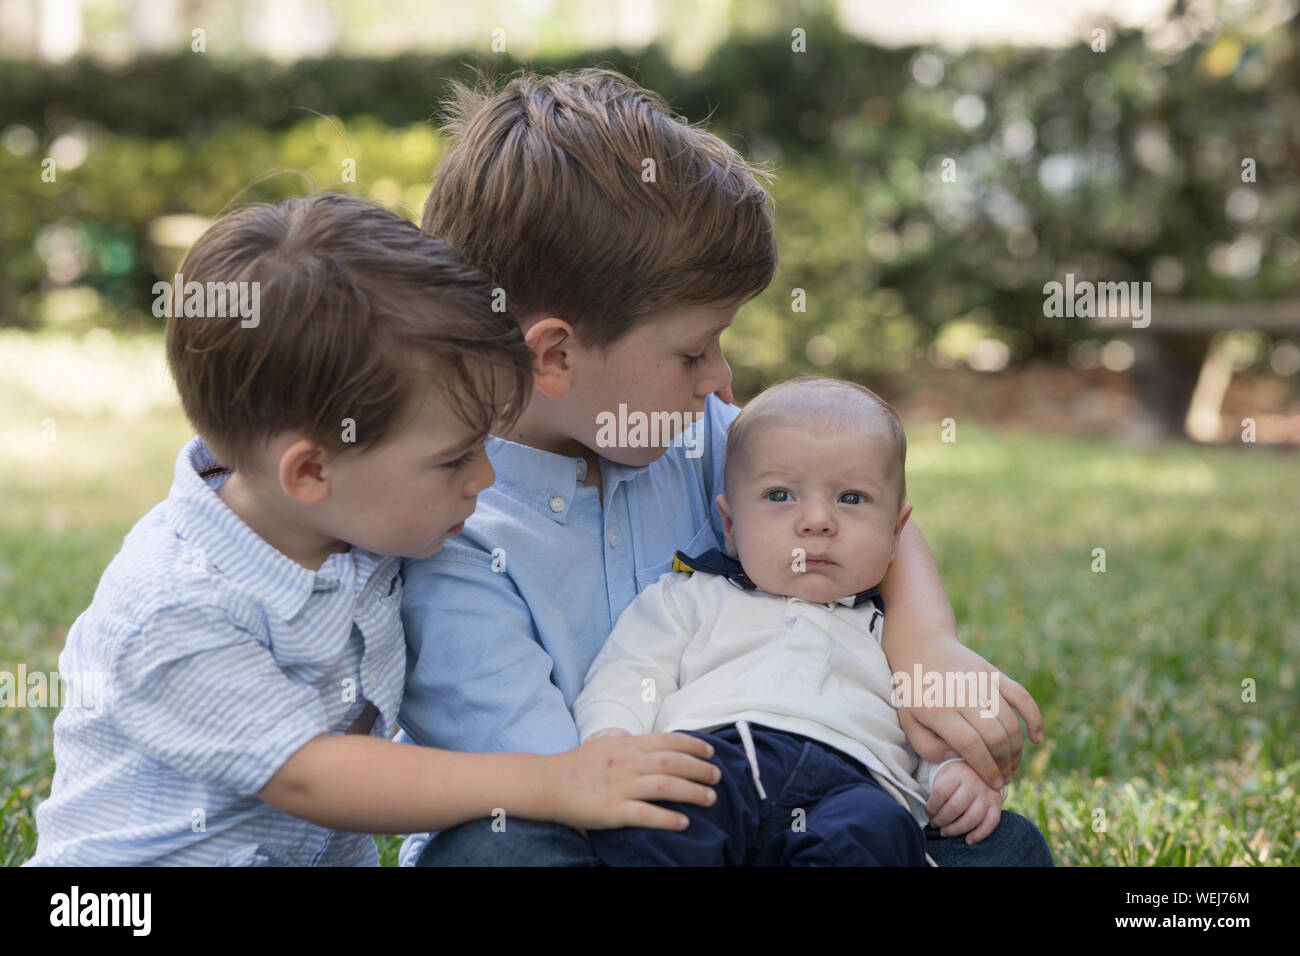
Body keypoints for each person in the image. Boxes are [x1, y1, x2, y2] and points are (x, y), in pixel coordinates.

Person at [400, 68, 1050, 866]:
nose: (721, 379)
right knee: (501, 853)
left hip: (789, 809)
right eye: (693, 351)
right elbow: (548, 782)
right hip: (601, 828)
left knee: (1002, 848)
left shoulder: (698, 436)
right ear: (557, 354)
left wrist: (922, 646)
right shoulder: (454, 528)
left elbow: (854, 499)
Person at [24, 192, 720, 866]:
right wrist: (555, 782)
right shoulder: (173, 607)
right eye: (453, 458)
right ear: (310, 472)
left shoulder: (356, 529)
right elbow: (311, 775)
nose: (484, 478)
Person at [577, 377, 1011, 866]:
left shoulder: (898, 632)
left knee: (882, 832)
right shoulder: (691, 596)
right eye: (781, 495)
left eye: (851, 498)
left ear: (896, 533)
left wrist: (955, 774)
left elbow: (933, 725)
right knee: (653, 817)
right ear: (731, 526)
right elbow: (631, 671)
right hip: (714, 757)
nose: (817, 520)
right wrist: (611, 736)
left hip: (854, 785)